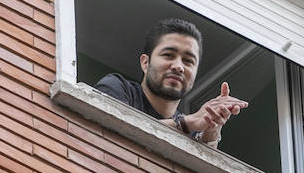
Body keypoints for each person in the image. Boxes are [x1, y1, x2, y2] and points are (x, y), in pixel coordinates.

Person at [94, 18, 247, 148]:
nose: (179, 66)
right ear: (146, 63)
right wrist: (185, 124)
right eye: (168, 55)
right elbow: (112, 135)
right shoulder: (117, 87)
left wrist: (211, 134)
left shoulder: (194, 128)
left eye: (188, 61)